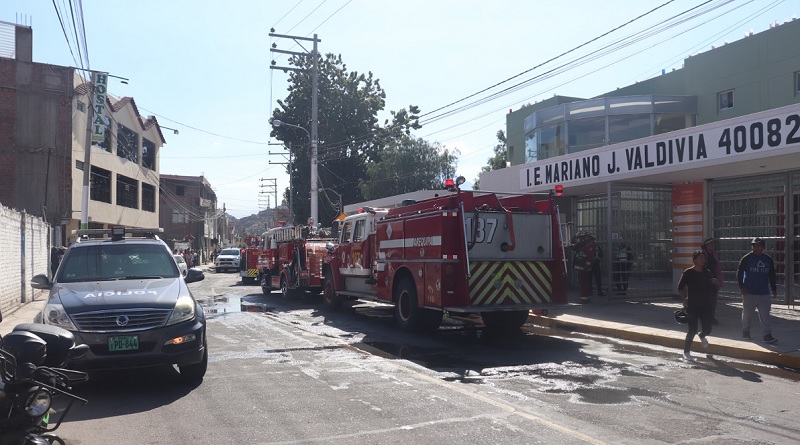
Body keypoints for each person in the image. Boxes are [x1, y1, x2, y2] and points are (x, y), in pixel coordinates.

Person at [677, 250, 718, 362]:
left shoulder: (707, 272)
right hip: (693, 305)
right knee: (692, 329)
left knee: (708, 329)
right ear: (695, 259)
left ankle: (702, 335)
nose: (703, 260)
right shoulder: (688, 272)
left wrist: (714, 282)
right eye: (701, 258)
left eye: (704, 258)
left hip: (706, 304)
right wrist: (684, 299)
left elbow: (712, 287)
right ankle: (686, 352)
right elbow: (680, 287)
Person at [736, 237, 778, 343]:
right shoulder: (746, 258)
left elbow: (772, 275)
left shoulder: (768, 259)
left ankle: (767, 335)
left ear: (763, 247)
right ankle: (745, 332)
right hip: (749, 291)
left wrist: (774, 289)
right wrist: (742, 287)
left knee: (765, 315)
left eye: (758, 246)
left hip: (764, 292)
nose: (756, 248)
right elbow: (739, 273)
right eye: (754, 246)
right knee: (747, 314)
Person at [701, 238, 722, 325]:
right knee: (704, 300)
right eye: (710, 244)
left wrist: (719, 279)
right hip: (704, 280)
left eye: (713, 244)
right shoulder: (702, 254)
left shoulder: (715, 254)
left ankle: (711, 317)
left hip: (714, 279)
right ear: (706, 245)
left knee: (713, 300)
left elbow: (717, 267)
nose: (712, 246)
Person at [572, 231, 597, 303]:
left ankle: (584, 298)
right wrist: (574, 236)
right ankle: (587, 296)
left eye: (580, 238)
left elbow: (590, 257)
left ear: (584, 237)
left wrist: (587, 265)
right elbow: (574, 247)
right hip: (582, 266)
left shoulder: (589, 245)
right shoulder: (583, 244)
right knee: (584, 282)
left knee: (584, 282)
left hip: (584, 267)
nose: (579, 240)